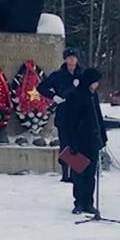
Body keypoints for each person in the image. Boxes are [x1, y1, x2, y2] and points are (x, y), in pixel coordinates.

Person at [59, 67, 108, 214]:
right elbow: (69, 121)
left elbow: (98, 117)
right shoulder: (75, 96)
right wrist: (71, 142)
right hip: (78, 141)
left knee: (91, 174)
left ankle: (89, 202)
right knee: (79, 173)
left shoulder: (93, 96)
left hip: (93, 139)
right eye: (95, 82)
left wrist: (102, 136)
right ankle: (79, 202)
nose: (97, 84)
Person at [38, 48, 83, 182]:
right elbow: (41, 87)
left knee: (77, 144)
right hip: (64, 114)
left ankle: (76, 172)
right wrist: (55, 97)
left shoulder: (82, 74)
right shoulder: (57, 75)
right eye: (69, 57)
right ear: (65, 59)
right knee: (65, 144)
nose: (72, 60)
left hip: (79, 114)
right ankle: (65, 173)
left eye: (74, 57)